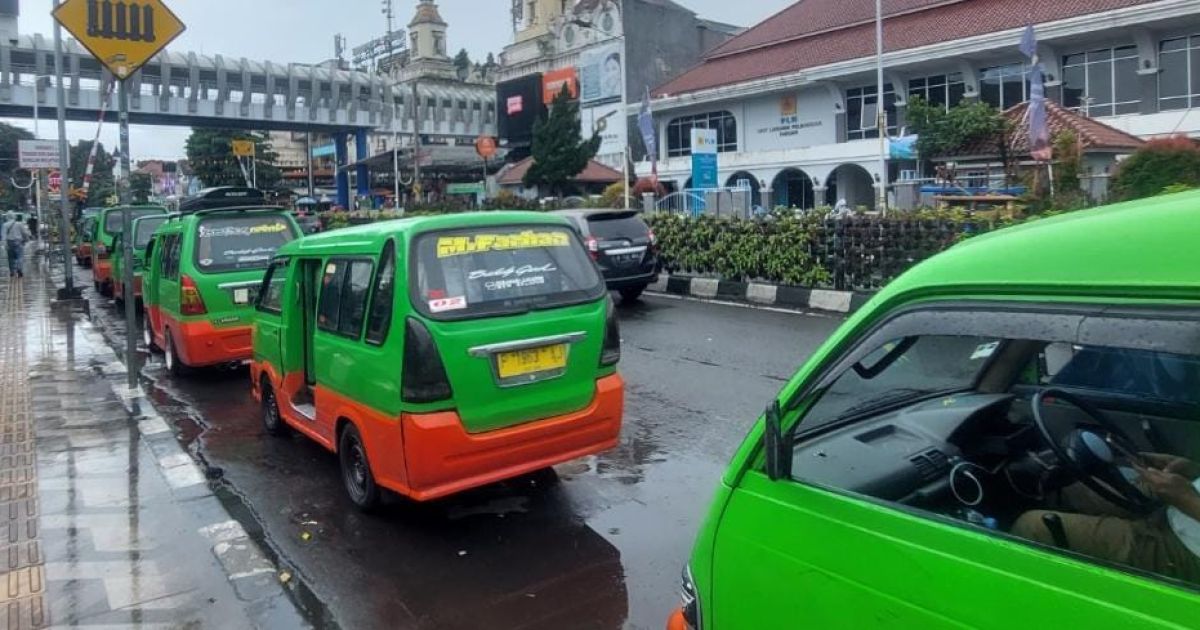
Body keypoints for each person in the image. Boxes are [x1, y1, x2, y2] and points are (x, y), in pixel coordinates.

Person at [1012, 452, 1200, 583]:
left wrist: (1188, 500)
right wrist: (1193, 470)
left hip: (1185, 546)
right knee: (1068, 490)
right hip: (1180, 506)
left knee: (1032, 527)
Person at [3, 212, 33, 278]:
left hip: (9, 242)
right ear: (14, 216)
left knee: (10, 258)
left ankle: (12, 272)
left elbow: (4, 236)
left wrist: (5, 244)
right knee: (20, 257)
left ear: (7, 217)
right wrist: (26, 240)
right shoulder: (19, 224)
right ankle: (19, 269)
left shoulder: (5, 225)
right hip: (18, 242)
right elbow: (24, 233)